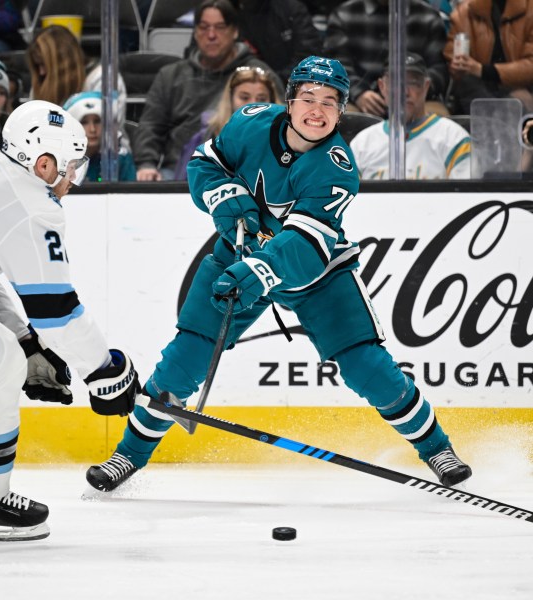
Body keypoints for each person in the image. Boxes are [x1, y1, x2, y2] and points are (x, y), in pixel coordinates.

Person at [85, 55, 472, 494]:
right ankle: (127, 456)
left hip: (318, 278)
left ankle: (437, 449)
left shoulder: (337, 167)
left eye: (330, 102)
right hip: (236, 257)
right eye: (307, 97)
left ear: (342, 110)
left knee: (370, 369)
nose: (317, 110)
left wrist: (260, 268)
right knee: (183, 361)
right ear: (288, 101)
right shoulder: (249, 123)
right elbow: (204, 164)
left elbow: (306, 244)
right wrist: (224, 195)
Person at [0, 100, 140, 541]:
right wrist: (105, 371)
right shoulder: (31, 206)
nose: (72, 180)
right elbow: (58, 314)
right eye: (70, 167)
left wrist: (27, 340)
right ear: (43, 164)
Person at [133, 0, 283, 182]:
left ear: (235, 31)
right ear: (195, 32)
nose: (211, 35)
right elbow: (150, 125)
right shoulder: (171, 76)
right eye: (204, 27)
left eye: (220, 27)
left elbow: (281, 129)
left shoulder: (260, 76)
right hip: (177, 175)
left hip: (244, 173)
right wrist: (147, 164)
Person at [350, 52, 471, 179]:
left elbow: (465, 197)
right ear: (382, 87)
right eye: (396, 83)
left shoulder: (454, 138)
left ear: (426, 87)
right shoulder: (361, 144)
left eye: (413, 83)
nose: (405, 92)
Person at [323, 0, 450, 116]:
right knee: (342, 118)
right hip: (358, 100)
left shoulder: (428, 16)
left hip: (415, 99)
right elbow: (336, 66)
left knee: (440, 121)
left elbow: (439, 69)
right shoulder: (344, 14)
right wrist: (359, 93)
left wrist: (411, 92)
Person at [174, 65, 283, 180]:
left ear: (272, 101)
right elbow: (185, 186)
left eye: (261, 99)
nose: (253, 104)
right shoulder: (206, 137)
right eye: (244, 97)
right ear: (230, 99)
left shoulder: (287, 138)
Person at [443, 0, 533, 115]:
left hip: (522, 85)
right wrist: (459, 65)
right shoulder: (464, 13)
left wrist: (481, 70)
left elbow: (530, 66)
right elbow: (451, 55)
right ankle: (497, 118)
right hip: (478, 86)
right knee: (466, 82)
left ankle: (495, 119)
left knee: (520, 99)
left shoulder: (530, 10)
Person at [232, 0, 323, 81]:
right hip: (254, 85)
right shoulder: (231, 14)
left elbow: (309, 56)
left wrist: (274, 79)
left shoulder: (290, 8)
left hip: (295, 85)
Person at [63, 91, 136, 182]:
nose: (92, 129)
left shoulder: (120, 159)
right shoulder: (60, 161)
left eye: (97, 121)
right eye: (84, 122)